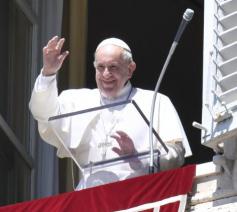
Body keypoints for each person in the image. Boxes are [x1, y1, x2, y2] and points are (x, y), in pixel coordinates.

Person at [29, 36, 192, 190]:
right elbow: (42, 113)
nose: (106, 74)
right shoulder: (77, 100)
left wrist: (138, 157)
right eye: (100, 67)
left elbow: (176, 155)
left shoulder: (155, 101)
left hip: (137, 198)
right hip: (89, 200)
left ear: (130, 69)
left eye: (113, 67)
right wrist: (48, 73)